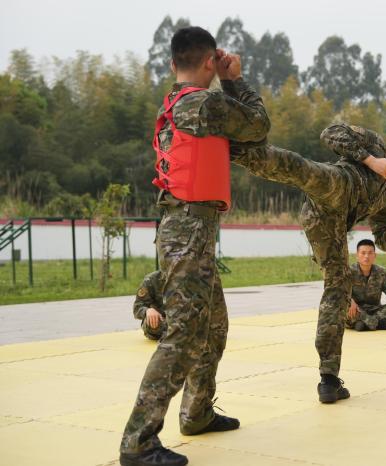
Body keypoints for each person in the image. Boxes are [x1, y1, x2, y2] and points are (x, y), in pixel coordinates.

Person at [119, 26, 270, 466]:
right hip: (188, 229)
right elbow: (258, 125)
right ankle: (138, 442)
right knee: (182, 336)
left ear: (172, 64)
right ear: (210, 62)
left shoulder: (174, 102)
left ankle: (197, 411)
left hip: (189, 228)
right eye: (216, 65)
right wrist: (235, 78)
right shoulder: (204, 103)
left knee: (214, 326)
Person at [232, 121, 386, 404]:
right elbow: (330, 132)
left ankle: (329, 379)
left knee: (337, 290)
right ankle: (233, 148)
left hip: (330, 226)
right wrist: (371, 160)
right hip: (334, 184)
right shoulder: (372, 142)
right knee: (301, 168)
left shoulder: (385, 194)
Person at [346, 239, 386, 331]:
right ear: (357, 255)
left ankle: (364, 324)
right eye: (363, 253)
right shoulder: (348, 272)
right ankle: (381, 324)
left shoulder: (381, 272)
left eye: (370, 253)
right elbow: (339, 291)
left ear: (374, 255)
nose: (366, 256)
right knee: (343, 307)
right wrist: (349, 300)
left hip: (375, 310)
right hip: (356, 310)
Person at [133, 270, 167, 340]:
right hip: (163, 322)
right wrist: (148, 311)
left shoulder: (190, 277)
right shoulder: (152, 279)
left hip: (185, 321)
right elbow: (137, 307)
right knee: (153, 324)